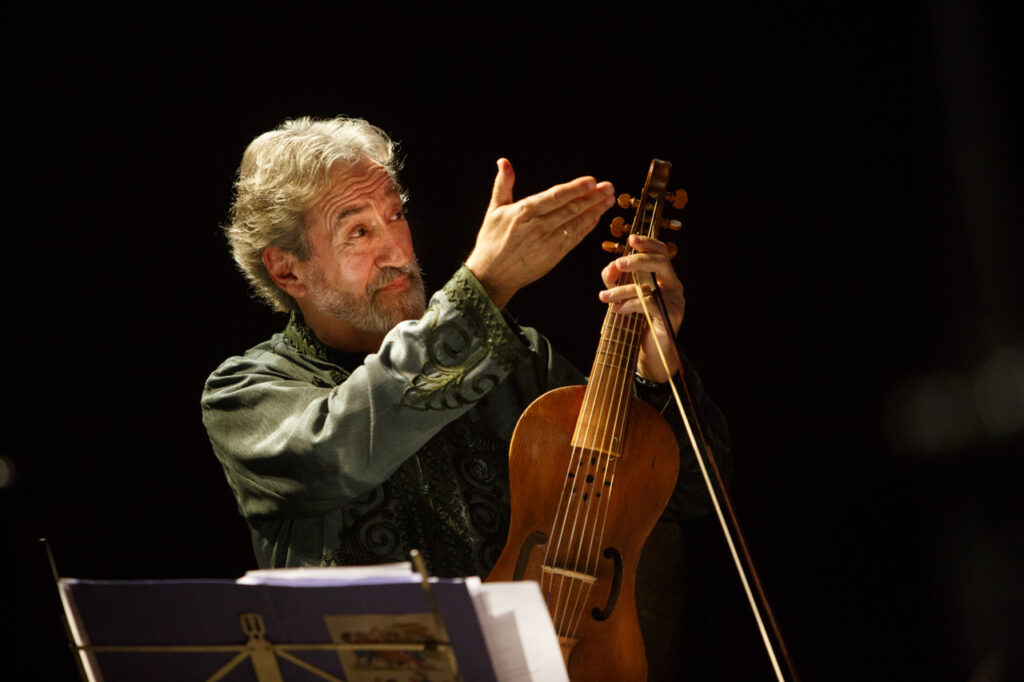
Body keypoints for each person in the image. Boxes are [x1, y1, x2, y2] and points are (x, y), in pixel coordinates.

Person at [201, 119, 732, 660]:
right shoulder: (244, 393)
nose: (397, 250)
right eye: (358, 232)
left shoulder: (514, 355)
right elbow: (336, 449)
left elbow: (686, 495)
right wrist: (485, 287)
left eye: (396, 215)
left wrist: (658, 373)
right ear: (287, 271)